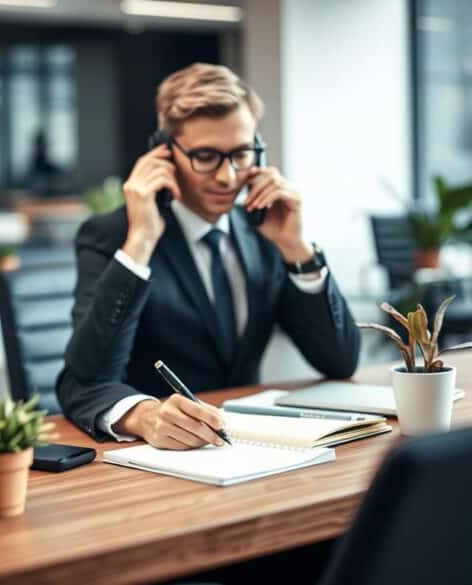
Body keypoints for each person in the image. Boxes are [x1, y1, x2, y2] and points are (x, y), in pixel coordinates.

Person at [57, 63, 361, 449]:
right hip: (158, 463)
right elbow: (86, 377)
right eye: (206, 156)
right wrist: (141, 242)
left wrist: (297, 250)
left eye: (241, 154)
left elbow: (340, 361)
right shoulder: (114, 236)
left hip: (250, 449)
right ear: (163, 154)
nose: (227, 177)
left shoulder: (265, 230)